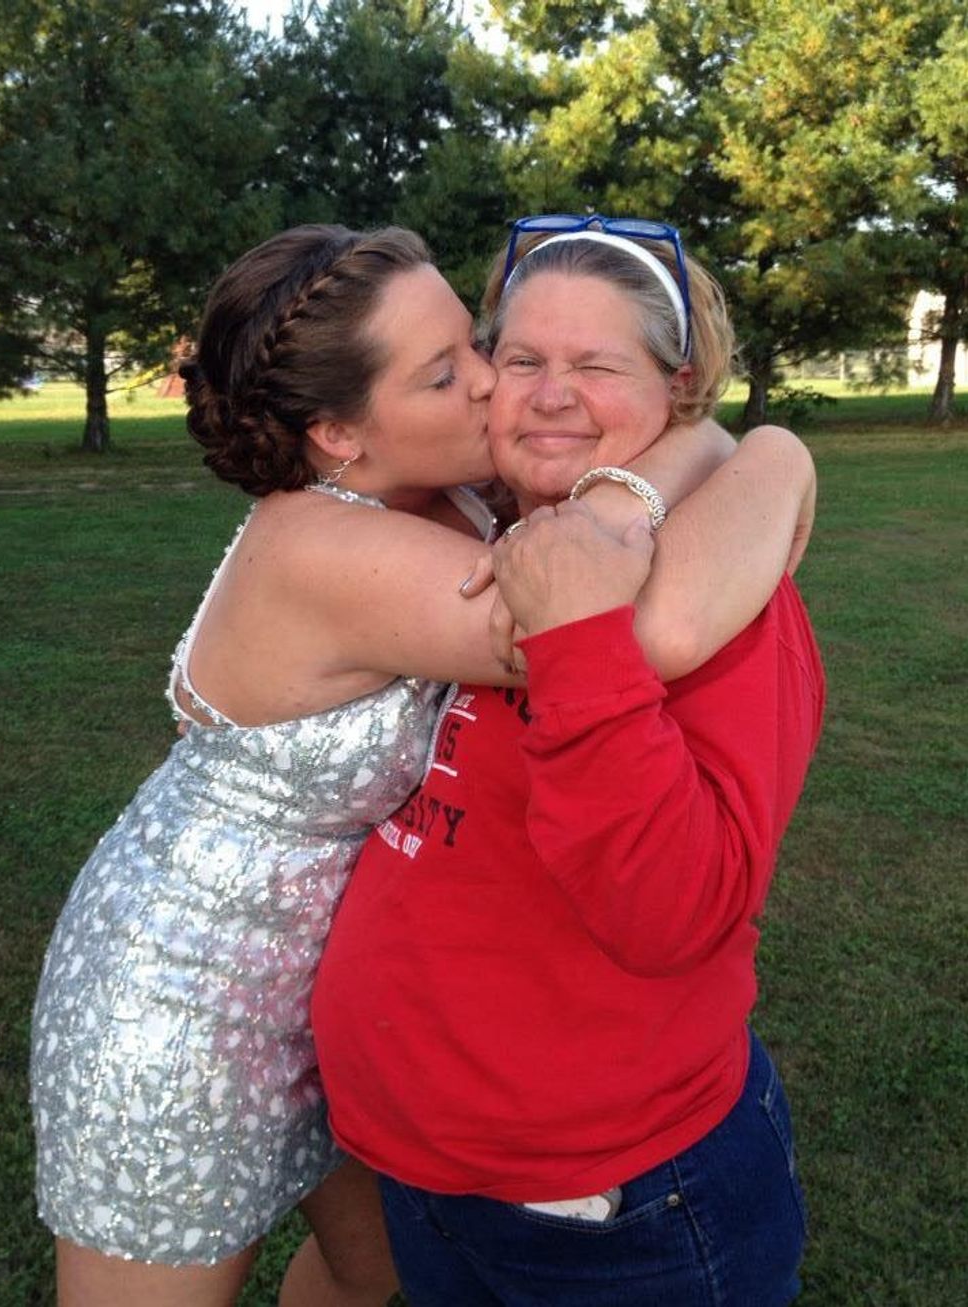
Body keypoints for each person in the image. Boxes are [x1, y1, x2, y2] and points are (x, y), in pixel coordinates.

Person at [30, 220, 811, 1307]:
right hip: (190, 989)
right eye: (453, 371)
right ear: (339, 433)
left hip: (341, 1011)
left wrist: (706, 442)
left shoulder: (459, 503)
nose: (496, 384)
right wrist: (766, 455)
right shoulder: (319, 547)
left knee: (365, 1269)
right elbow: (618, 623)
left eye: (475, 345)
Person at [311, 216, 825, 1306]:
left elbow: (672, 908)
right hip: (421, 1170)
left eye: (596, 366)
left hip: (611, 1206)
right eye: (520, 359)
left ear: (674, 389)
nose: (550, 395)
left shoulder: (724, 593)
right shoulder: (461, 525)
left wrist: (584, 630)